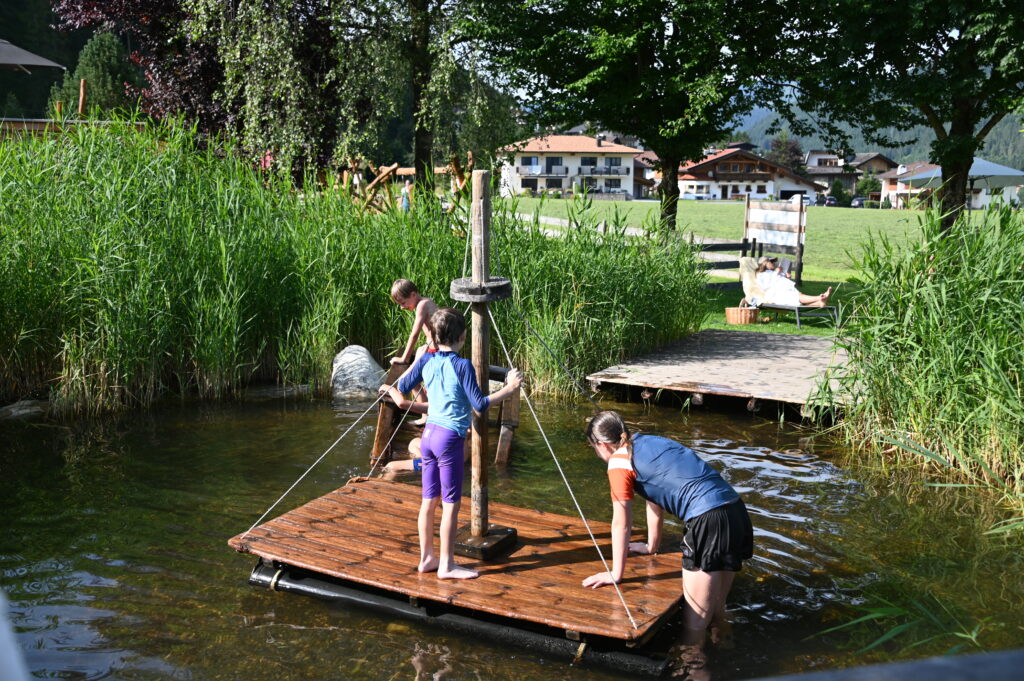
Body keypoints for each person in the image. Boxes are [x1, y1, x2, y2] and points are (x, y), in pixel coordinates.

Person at [582, 410, 753, 661]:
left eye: (594, 449)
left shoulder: (618, 461)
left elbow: (621, 523)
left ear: (602, 445)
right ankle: (729, 658)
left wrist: (616, 574)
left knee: (694, 625)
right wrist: (652, 546)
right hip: (735, 511)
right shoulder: (650, 441)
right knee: (717, 609)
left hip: (707, 520)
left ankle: (695, 670)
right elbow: (655, 498)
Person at [381, 307, 523, 580]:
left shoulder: (427, 360)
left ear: (433, 336)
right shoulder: (462, 365)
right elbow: (479, 404)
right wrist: (509, 389)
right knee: (450, 504)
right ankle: (446, 565)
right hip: (449, 439)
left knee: (428, 501)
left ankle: (427, 559)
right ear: (463, 336)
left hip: (429, 435)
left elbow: (402, 384)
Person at [754, 256, 832, 307]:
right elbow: (766, 286)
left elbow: (779, 281)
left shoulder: (771, 272)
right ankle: (820, 297)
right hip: (775, 294)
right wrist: (776, 273)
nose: (774, 263)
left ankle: (820, 303)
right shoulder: (760, 274)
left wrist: (786, 277)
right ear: (765, 263)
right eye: (771, 261)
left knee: (799, 296)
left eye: (774, 261)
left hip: (783, 291)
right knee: (798, 297)